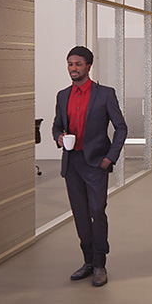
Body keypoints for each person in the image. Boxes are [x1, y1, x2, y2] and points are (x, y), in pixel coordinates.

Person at [52, 46, 127, 287]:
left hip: (96, 163)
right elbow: (56, 126)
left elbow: (121, 128)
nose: (73, 68)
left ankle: (100, 264)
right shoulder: (63, 95)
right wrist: (59, 138)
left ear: (88, 66)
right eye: (70, 64)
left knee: (97, 212)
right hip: (72, 163)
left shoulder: (105, 94)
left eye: (78, 64)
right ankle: (87, 262)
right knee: (81, 216)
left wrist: (109, 158)